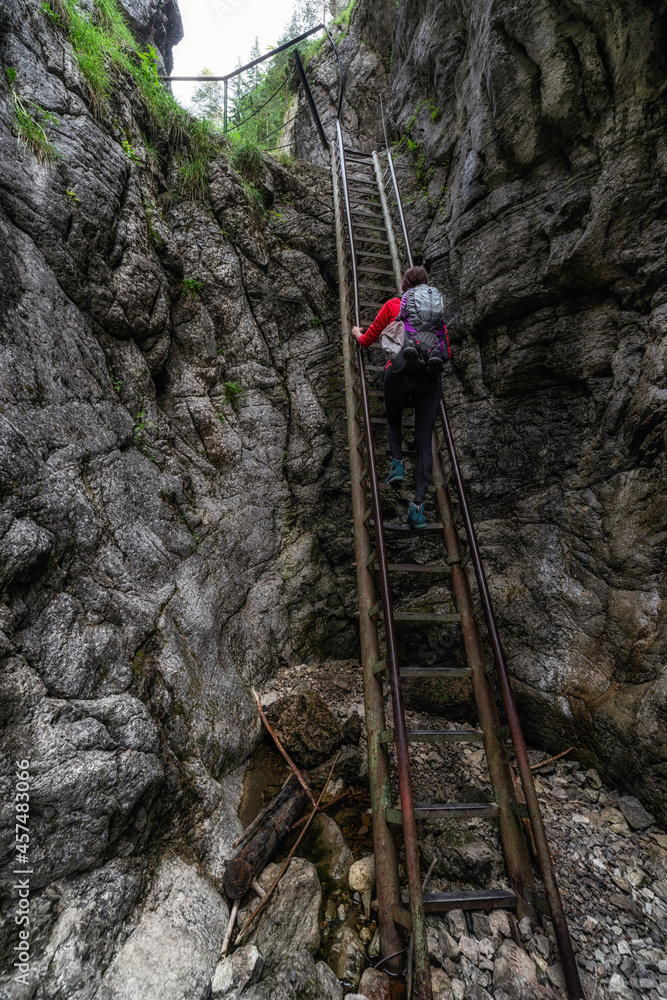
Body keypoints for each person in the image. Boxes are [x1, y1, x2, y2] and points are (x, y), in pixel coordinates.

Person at [351, 266, 446, 527]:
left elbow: (368, 339)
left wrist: (356, 333)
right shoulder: (435, 311)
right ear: (426, 287)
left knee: (393, 419)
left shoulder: (395, 304)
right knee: (424, 441)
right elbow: (444, 341)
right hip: (430, 376)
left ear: (404, 285)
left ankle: (397, 466)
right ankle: (417, 508)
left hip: (400, 371)